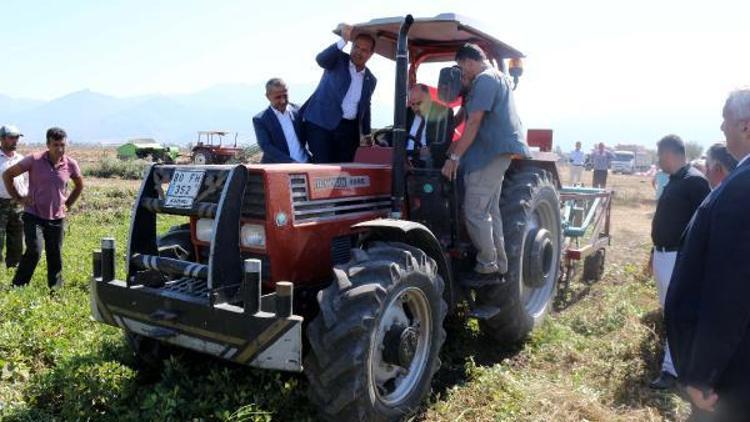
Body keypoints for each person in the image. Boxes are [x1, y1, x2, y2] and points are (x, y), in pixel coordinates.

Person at [666, 88, 750, 419]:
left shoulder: (744, 186)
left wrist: (702, 373)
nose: (721, 128)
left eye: (725, 121)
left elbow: (732, 290)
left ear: (745, 125)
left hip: (729, 380)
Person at [441, 43, 529, 284]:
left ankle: (486, 263)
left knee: (474, 210)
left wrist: (454, 157)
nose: (461, 73)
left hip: (489, 153)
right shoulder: (494, 79)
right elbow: (465, 116)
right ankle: (499, 263)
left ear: (470, 61)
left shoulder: (485, 80)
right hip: (495, 153)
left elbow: (474, 121)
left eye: (461, 67)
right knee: (490, 211)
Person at [648, 134, 710, 390]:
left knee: (676, 313)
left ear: (670, 153)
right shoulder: (675, 180)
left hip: (677, 257)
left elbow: (705, 224)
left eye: (660, 155)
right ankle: (674, 363)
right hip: (663, 255)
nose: (659, 160)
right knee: (668, 311)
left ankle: (672, 372)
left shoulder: (695, 181)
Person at [2, 127, 83, 289]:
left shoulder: (70, 164)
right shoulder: (34, 160)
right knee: (34, 250)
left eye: (62, 145)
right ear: (48, 144)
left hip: (57, 217)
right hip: (34, 215)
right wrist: (19, 197)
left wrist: (67, 204)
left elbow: (79, 185)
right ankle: (17, 286)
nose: (60, 149)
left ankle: (55, 290)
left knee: (55, 255)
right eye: (55, 145)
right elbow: (7, 175)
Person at [302, 24, 377, 163]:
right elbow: (321, 59)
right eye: (356, 47)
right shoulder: (338, 60)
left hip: (348, 131)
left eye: (364, 50)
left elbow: (366, 106)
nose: (358, 52)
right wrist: (343, 40)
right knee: (323, 169)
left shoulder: (370, 80)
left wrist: (367, 133)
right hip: (322, 125)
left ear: (371, 54)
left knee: (345, 172)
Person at [253, 78, 310, 164]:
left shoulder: (299, 111)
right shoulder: (261, 120)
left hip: (306, 165)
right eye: (278, 97)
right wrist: (291, 163)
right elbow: (266, 146)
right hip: (278, 169)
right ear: (268, 96)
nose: (283, 101)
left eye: (285, 96)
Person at [406, 83, 454, 168]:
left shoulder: (443, 113)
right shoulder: (407, 113)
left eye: (419, 103)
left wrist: (430, 150)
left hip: (429, 168)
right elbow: (395, 132)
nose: (416, 108)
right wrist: (384, 142)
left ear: (429, 98)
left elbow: (445, 142)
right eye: (413, 104)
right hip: (405, 164)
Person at [0, 125, 27, 269]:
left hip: (18, 205)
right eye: (12, 137)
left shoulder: (21, 159)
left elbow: (27, 181)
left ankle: (13, 273)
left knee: (16, 242)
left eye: (17, 138)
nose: (15, 141)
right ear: (2, 139)